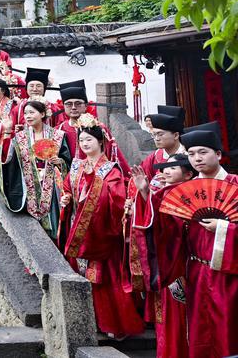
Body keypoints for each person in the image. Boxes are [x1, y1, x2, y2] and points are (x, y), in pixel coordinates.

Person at [133, 124, 238, 358]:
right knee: (199, 332)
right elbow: (161, 227)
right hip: (196, 272)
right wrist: (144, 195)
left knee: (229, 330)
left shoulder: (235, 185)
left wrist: (223, 228)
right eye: (191, 154)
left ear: (218, 154)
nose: (197, 158)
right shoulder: (180, 191)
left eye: (203, 152)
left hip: (230, 273)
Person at [59, 121, 145, 339]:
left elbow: (116, 199)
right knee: (81, 274)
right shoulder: (77, 165)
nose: (85, 144)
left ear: (101, 141)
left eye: (89, 139)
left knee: (105, 279)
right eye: (81, 140)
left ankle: (113, 324)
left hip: (102, 232)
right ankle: (90, 321)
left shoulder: (111, 169)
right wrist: (67, 198)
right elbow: (68, 186)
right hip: (78, 228)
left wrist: (93, 188)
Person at [126, 153, 195, 358]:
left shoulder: (189, 194)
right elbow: (155, 224)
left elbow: (169, 226)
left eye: (173, 168)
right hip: (166, 264)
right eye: (165, 167)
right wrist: (145, 192)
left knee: (181, 321)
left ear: (188, 174)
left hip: (182, 263)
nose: (166, 171)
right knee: (166, 321)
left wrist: (148, 194)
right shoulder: (164, 192)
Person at [0, 100, 70, 239]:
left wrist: (59, 162)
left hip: (52, 186)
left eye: (32, 112)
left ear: (42, 114)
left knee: (55, 223)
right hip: (28, 184)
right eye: (25, 113)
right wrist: (7, 132)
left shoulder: (58, 135)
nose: (28, 116)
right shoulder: (20, 137)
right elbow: (6, 158)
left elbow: (67, 161)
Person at [56, 82, 130, 174]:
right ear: (63, 106)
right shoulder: (58, 130)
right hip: (66, 181)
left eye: (78, 103)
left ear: (86, 105)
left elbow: (113, 154)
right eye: (69, 104)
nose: (74, 107)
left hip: (96, 178)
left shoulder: (99, 128)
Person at [138, 107, 186, 180]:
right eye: (154, 135)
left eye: (160, 134)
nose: (156, 139)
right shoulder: (153, 158)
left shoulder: (188, 156)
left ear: (176, 135)